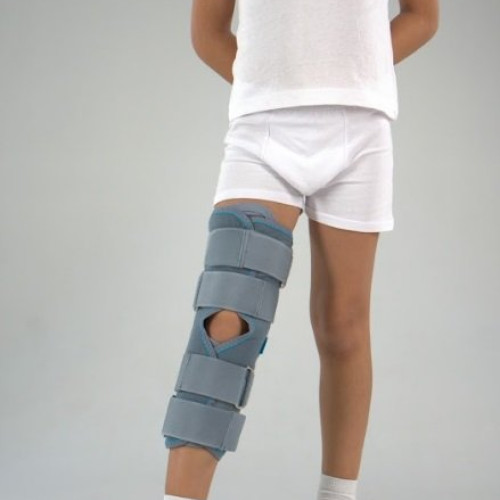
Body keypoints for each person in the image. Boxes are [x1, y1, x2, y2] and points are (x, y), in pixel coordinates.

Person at [162, 1, 439, 499]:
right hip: (263, 129)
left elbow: (423, 16)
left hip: (360, 132)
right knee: (224, 323)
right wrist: (274, 84)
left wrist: (351, 77)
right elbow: (208, 33)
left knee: (343, 329)